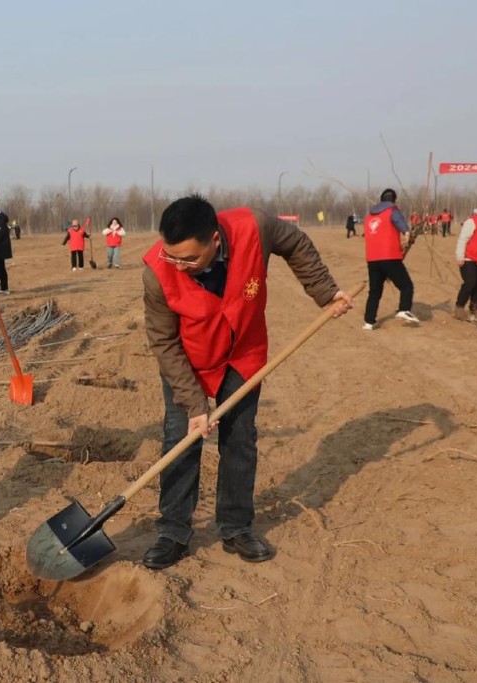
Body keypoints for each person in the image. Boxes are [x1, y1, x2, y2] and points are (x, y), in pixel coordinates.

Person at [141, 194, 353, 569]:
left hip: (243, 354)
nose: (179, 265)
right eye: (172, 256)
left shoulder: (255, 227)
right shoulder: (158, 274)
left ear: (215, 241)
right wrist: (194, 405)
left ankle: (236, 527)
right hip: (189, 363)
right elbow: (163, 342)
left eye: (189, 258)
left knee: (240, 441)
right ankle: (172, 532)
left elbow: (297, 243)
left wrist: (325, 292)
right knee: (180, 441)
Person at [362, 189, 419, 330]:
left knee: (375, 291)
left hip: (372, 259)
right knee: (406, 286)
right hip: (389, 257)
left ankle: (369, 321)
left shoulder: (369, 216)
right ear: (394, 200)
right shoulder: (392, 211)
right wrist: (407, 236)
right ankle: (404, 310)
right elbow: (403, 227)